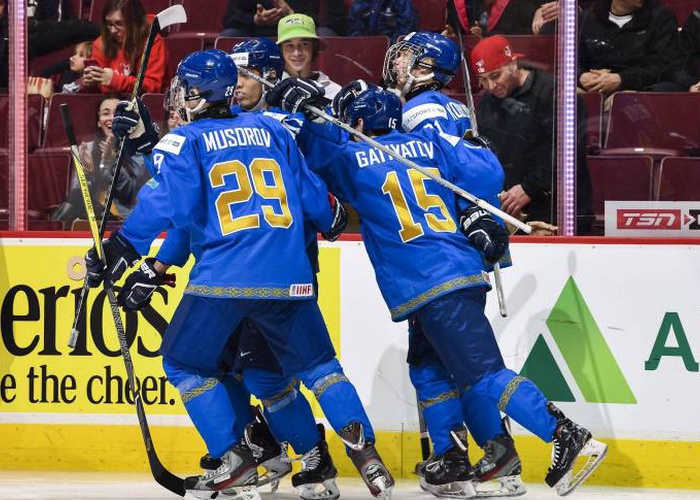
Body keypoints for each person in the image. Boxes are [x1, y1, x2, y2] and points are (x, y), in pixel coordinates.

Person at [267, 80, 609, 497]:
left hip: (429, 283)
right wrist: (474, 147)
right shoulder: (430, 143)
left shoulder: (352, 159)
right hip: (459, 273)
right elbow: (487, 173)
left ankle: (565, 435)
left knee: (484, 373)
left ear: (357, 124)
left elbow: (313, 158)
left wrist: (311, 114)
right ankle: (450, 457)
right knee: (427, 368)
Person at [85, 49, 393, 500]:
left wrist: (122, 246)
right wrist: (331, 218)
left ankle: (234, 459)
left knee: (184, 363)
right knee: (320, 367)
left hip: (226, 275)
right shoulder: (274, 129)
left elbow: (171, 201)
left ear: (198, 92)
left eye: (185, 88)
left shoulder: (185, 140)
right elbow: (314, 197)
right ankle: (367, 455)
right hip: (290, 276)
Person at [382, 30, 526, 497]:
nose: (396, 64)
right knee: (440, 362)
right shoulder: (450, 108)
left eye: (406, 58)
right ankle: (462, 457)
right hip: (461, 245)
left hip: (443, 250)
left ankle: (490, 454)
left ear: (425, 68)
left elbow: (437, 179)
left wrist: (471, 216)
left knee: (455, 364)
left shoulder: (419, 111)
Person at [471, 35, 594, 234]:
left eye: (495, 76)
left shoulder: (557, 93)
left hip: (558, 208)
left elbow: (569, 152)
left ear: (513, 64)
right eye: (483, 80)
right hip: (512, 210)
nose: (491, 86)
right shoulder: (488, 101)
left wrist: (529, 187)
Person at [51, 93, 148, 228]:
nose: (111, 118)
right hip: (90, 217)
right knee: (75, 198)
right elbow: (78, 195)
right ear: (98, 121)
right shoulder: (88, 149)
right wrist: (87, 173)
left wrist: (111, 162)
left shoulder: (138, 152)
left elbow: (128, 193)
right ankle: (53, 229)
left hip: (122, 220)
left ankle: (54, 227)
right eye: (106, 113)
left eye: (117, 114)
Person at [578, 0, 682, 94]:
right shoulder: (587, 17)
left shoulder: (661, 17)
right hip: (592, 86)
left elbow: (663, 66)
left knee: (626, 100)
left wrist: (622, 80)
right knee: (573, 96)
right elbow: (572, 60)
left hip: (637, 88)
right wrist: (581, 76)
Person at [83, 0, 167, 94]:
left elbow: (152, 86)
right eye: (109, 24)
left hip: (145, 102)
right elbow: (99, 90)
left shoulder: (153, 42)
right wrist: (91, 84)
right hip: (108, 101)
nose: (113, 30)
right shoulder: (101, 43)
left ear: (135, 23)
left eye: (119, 24)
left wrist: (115, 80)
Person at [277, 13, 342, 99]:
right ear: (281, 49)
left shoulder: (334, 92)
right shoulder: (270, 88)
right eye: (289, 45)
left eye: (304, 44)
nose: (297, 53)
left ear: (314, 46)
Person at [221, 0, 347, 38]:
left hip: (302, 35)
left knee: (326, 34)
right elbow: (229, 19)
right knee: (230, 35)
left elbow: (335, 21)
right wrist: (255, 19)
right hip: (257, 33)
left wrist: (292, 15)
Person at [348, 0, 418, 43]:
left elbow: (407, 26)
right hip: (366, 46)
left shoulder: (401, 2)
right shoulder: (359, 2)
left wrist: (392, 45)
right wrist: (362, 44)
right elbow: (354, 28)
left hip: (393, 47)